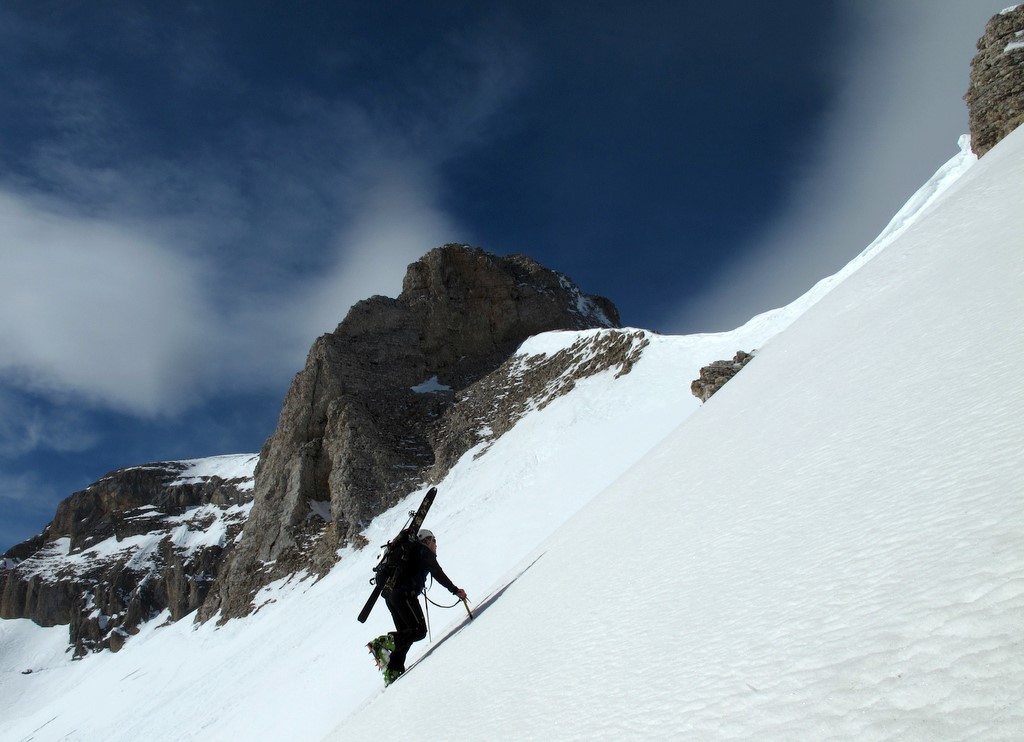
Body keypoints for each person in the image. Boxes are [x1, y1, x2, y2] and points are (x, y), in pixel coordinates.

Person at [382, 529, 467, 683]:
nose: (436, 544)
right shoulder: (422, 551)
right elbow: (437, 573)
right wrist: (455, 590)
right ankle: (384, 644)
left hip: (392, 596)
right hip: (405, 594)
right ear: (427, 540)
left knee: (406, 634)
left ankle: (393, 670)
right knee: (418, 631)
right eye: (434, 540)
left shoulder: (410, 553)